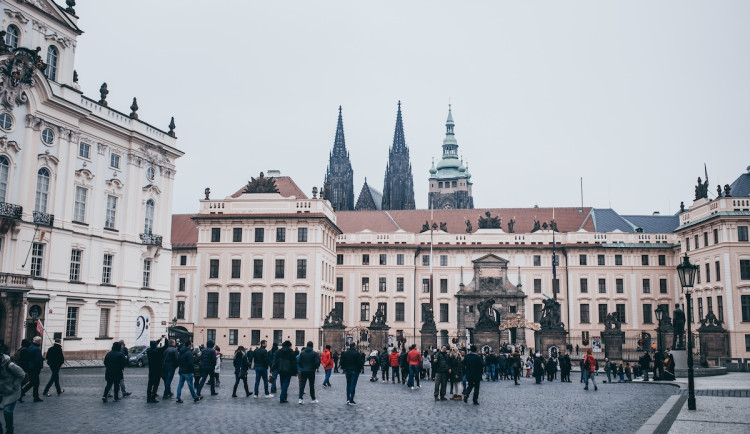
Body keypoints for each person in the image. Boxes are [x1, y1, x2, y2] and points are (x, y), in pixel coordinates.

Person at [0, 351, 26, 433]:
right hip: (1, 391)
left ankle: (9, 430)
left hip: (11, 391)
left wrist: (15, 384)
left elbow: (21, 374)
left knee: (7, 411)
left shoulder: (9, 365)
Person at [146, 336, 169, 402]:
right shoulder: (158, 351)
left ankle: (148, 398)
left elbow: (153, 344)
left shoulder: (148, 351)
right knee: (156, 385)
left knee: (150, 384)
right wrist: (166, 339)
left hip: (151, 370)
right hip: (158, 370)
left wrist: (159, 340)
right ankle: (153, 397)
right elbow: (166, 346)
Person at [20, 336, 43, 402]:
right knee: (34, 382)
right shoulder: (37, 349)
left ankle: (35, 396)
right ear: (39, 342)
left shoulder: (30, 347)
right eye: (40, 341)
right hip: (35, 368)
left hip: (30, 367)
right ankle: (21, 394)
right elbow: (37, 360)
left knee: (34, 382)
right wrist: (40, 366)